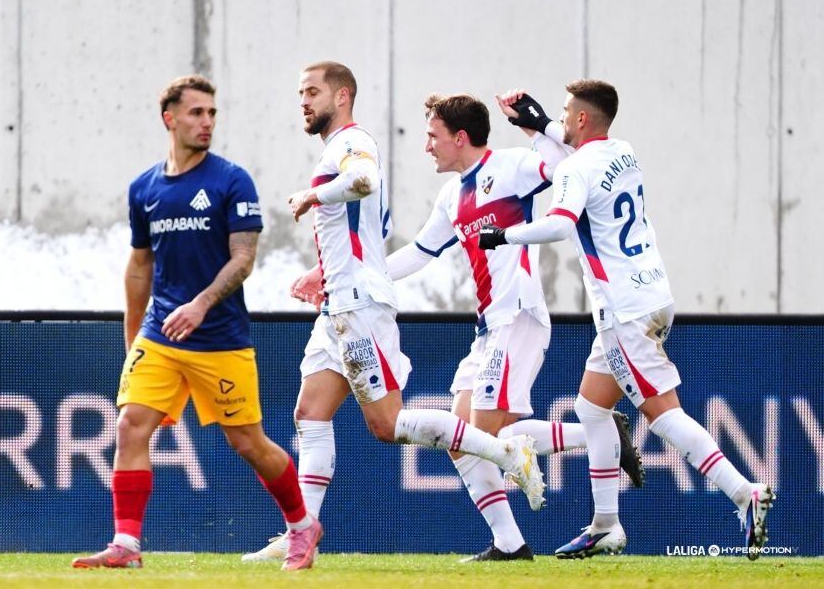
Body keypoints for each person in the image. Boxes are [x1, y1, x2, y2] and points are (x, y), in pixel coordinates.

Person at [242, 61, 544, 562]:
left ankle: (506, 451)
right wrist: (324, 274)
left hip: (360, 307)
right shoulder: (341, 150)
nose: (304, 100)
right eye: (301, 92)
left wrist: (312, 194)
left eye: (312, 92)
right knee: (309, 412)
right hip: (340, 301)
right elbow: (377, 239)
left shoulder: (351, 143)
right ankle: (302, 530)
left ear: (342, 97)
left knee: (386, 424)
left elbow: (362, 178)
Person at [479, 79, 775, 560]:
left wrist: (503, 236)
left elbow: (559, 223)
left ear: (580, 119)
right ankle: (605, 525)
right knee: (592, 409)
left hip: (622, 311)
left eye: (565, 111)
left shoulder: (575, 167)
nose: (561, 117)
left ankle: (745, 493)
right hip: (652, 294)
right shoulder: (624, 150)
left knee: (663, 416)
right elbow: (581, 145)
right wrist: (539, 127)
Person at [71, 75, 322, 571]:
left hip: (219, 338)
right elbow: (140, 266)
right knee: (130, 424)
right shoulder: (144, 188)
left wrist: (202, 304)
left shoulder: (231, 180)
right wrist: (134, 340)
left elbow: (244, 259)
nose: (206, 122)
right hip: (161, 335)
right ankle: (126, 544)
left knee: (247, 442)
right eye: (196, 113)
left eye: (212, 114)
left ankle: (302, 526)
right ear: (170, 118)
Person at [381, 91, 643, 561]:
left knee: (486, 440)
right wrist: (357, 277)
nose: (427, 146)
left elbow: (570, 168)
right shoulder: (450, 195)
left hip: (518, 318)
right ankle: (510, 544)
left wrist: (539, 127)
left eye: (432, 136)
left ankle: (597, 435)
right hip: (487, 329)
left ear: (460, 138)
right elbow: (419, 253)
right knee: (462, 441)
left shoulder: (513, 166)